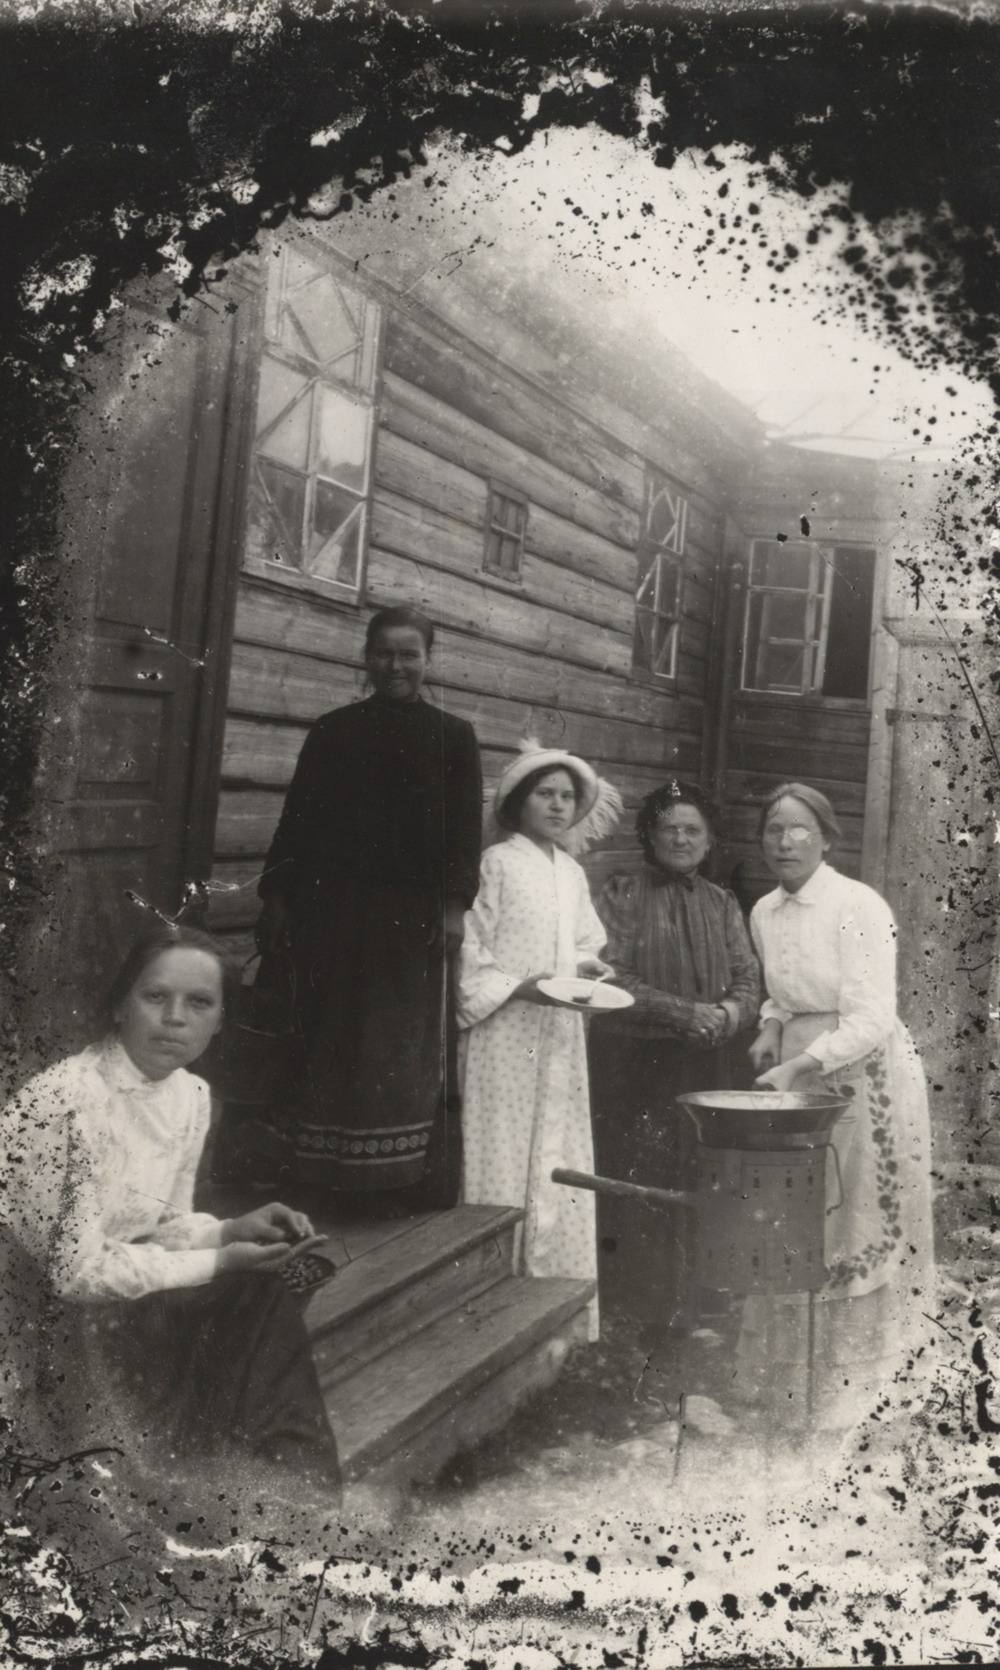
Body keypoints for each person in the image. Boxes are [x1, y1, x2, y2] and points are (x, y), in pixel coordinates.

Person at [0, 924, 341, 1498]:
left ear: (221, 1019)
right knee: (233, 1298)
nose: (175, 1018)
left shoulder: (190, 1095)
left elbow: (162, 1225)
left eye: (199, 1003)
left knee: (260, 1289)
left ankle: (295, 1491)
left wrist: (228, 1230)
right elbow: (74, 1274)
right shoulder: (70, 1101)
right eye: (155, 997)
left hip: (106, 1289)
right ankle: (246, 1488)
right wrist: (220, 1260)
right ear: (119, 1006)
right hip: (34, 1307)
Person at [253, 605, 482, 1201]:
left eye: (409, 654)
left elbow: (463, 833)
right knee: (326, 1036)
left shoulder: (453, 737)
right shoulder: (332, 731)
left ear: (428, 660)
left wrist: (454, 906)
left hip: (410, 922)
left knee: (393, 1043)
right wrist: (276, 899)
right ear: (366, 657)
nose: (395, 666)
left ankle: (392, 1181)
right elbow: (295, 821)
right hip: (329, 912)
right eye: (384, 653)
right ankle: (317, 1176)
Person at [740, 781, 935, 1432]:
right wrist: (772, 1027)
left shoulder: (857, 905)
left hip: (863, 1072)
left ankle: (860, 1381)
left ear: (826, 838)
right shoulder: (764, 910)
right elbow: (781, 991)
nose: (785, 841)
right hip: (800, 1068)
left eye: (800, 829)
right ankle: (788, 1376)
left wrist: (800, 1063)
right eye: (773, 829)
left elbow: (872, 1016)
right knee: (800, 1212)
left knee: (855, 1214)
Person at [455, 741, 621, 1338]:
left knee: (558, 1152)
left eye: (567, 797)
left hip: (559, 1033)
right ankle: (490, 1308)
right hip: (505, 1030)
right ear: (518, 803)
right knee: (502, 1149)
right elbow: (470, 949)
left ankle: (556, 1309)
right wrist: (516, 987)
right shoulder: (496, 864)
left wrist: (589, 968)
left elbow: (583, 943)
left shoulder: (570, 872)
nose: (557, 806)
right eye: (544, 794)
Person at [587, 780, 761, 1336]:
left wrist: (728, 1014)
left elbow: (748, 978)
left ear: (708, 841)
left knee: (702, 1174)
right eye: (669, 828)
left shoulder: (722, 902)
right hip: (638, 1064)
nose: (681, 839)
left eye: (692, 830)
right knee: (644, 1176)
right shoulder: (624, 892)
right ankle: (644, 1309)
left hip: (708, 1064)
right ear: (650, 835)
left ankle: (698, 1302)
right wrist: (685, 1013)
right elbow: (612, 977)